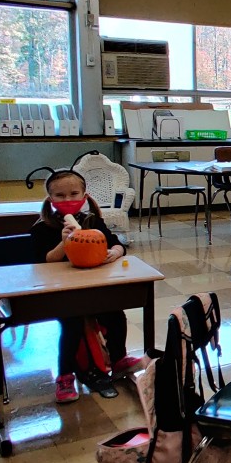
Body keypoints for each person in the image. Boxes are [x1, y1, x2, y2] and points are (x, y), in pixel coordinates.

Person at [30, 169, 141, 404]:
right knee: (71, 324)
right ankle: (65, 375)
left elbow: (117, 244)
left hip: (93, 287)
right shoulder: (42, 227)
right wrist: (64, 242)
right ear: (50, 199)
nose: (68, 200)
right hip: (60, 291)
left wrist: (115, 252)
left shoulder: (92, 221)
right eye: (60, 195)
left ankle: (119, 360)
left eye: (73, 194)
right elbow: (45, 261)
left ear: (84, 195)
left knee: (115, 314)